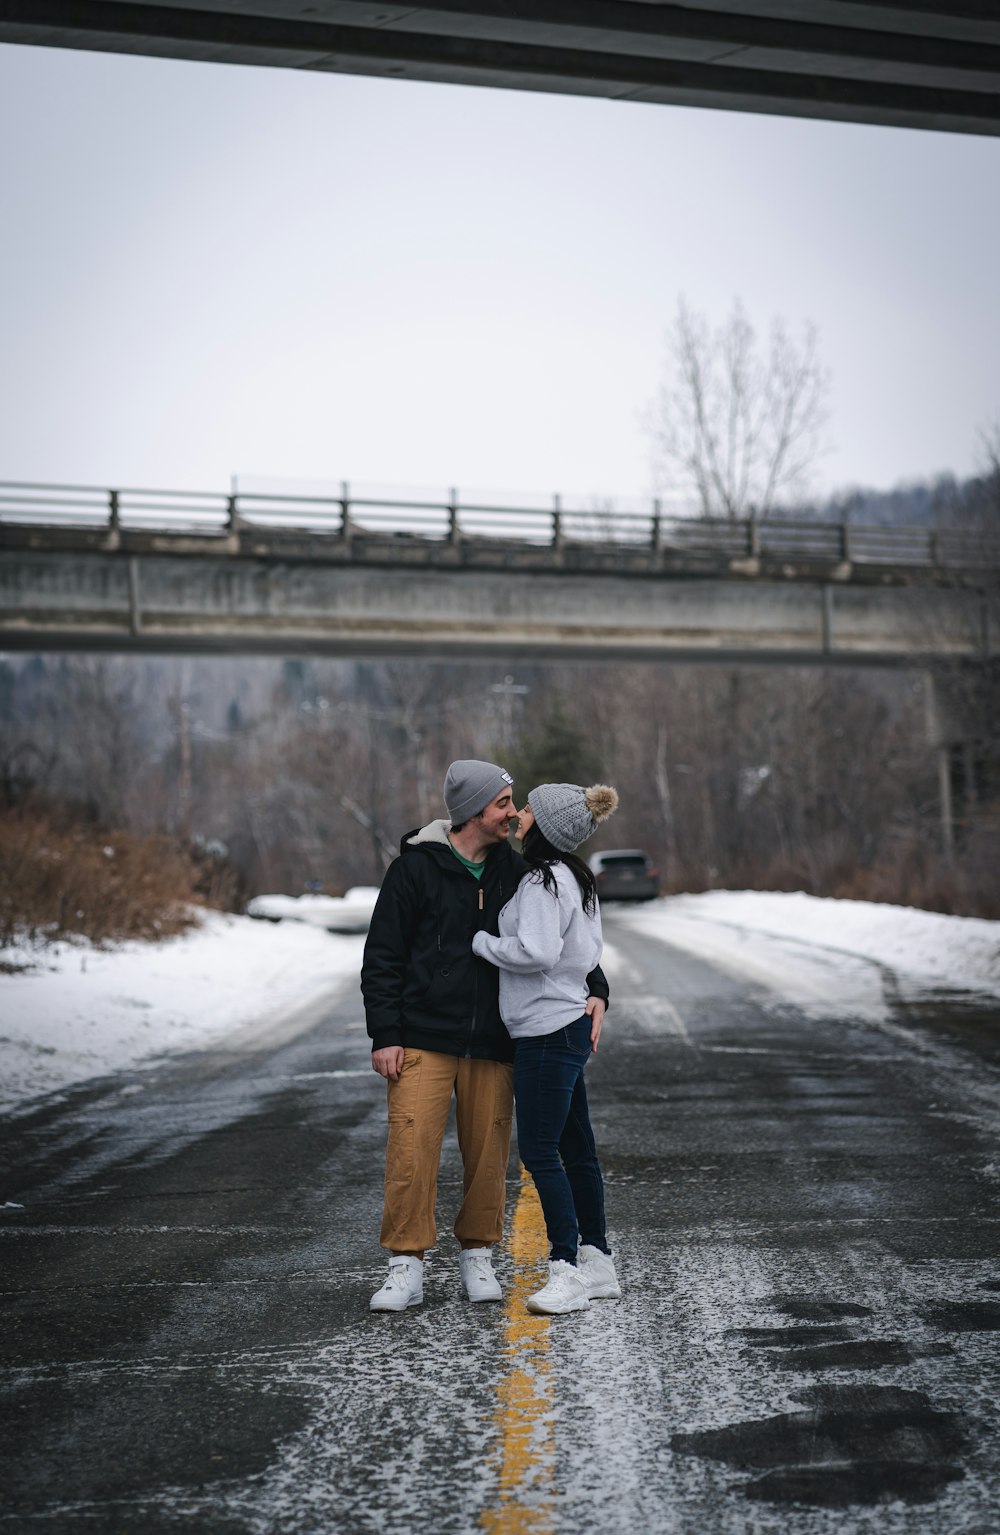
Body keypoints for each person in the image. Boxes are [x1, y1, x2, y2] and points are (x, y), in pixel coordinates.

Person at [362, 760, 611, 1313]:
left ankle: (478, 1255)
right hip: (423, 1035)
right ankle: (405, 1265)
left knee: (489, 1154)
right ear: (475, 810)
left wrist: (597, 987)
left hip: (497, 1041)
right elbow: (382, 956)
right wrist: (386, 1033)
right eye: (503, 802)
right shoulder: (414, 870)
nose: (512, 813)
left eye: (514, 803)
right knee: (411, 1148)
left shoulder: (519, 872)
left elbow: (561, 939)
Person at [472, 782, 621, 1316]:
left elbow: (535, 951)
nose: (521, 814)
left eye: (529, 808)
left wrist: (482, 941)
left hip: (544, 1031)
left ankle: (565, 1268)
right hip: (567, 1026)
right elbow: (578, 953)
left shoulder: (540, 882)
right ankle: (598, 1264)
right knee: (577, 1148)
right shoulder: (575, 878)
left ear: (547, 826)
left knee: (539, 1152)